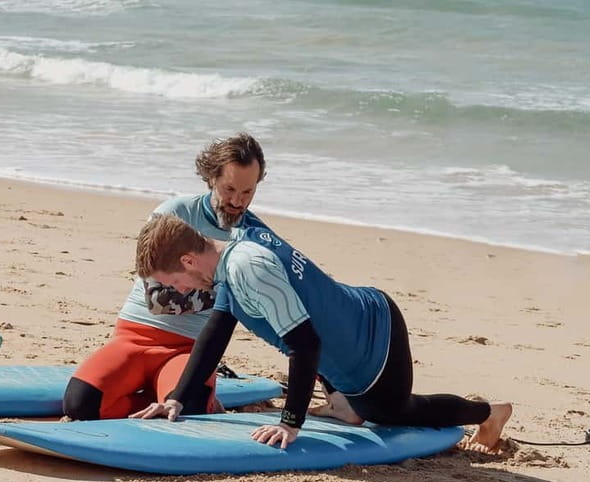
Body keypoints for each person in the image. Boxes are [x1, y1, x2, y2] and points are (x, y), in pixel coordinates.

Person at [130, 215, 513, 455]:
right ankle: (343, 404)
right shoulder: (231, 258)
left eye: (174, 281)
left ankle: (489, 413)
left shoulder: (248, 269)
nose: (179, 290)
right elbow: (216, 333)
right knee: (344, 387)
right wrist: (178, 398)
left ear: (188, 260)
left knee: (391, 412)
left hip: (374, 339)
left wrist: (290, 422)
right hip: (345, 326)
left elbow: (305, 344)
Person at [62, 133, 271, 420]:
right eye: (229, 188)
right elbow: (158, 299)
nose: (237, 201)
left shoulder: (257, 238)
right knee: (79, 405)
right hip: (135, 336)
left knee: (189, 411)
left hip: (189, 349)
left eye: (248, 192)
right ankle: (158, 398)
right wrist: (226, 293)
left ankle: (177, 397)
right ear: (212, 178)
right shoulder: (174, 214)